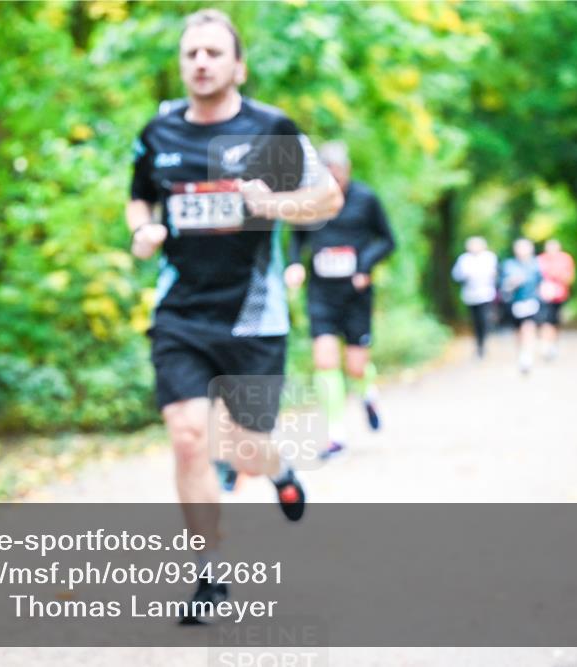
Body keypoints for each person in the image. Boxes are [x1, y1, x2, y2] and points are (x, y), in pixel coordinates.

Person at [127, 9, 343, 623]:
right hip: (180, 313)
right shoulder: (159, 132)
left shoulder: (270, 129)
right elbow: (139, 195)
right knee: (191, 439)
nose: (200, 62)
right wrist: (143, 228)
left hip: (254, 318)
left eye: (213, 53)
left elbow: (328, 198)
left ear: (237, 65)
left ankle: (278, 469)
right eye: (191, 53)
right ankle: (208, 575)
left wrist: (272, 201)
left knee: (241, 446)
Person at [285, 141, 395, 459]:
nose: (332, 177)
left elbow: (388, 241)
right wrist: (294, 264)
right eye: (325, 170)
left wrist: (364, 266)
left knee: (356, 367)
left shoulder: (366, 199)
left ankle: (368, 394)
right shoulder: (309, 199)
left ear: (347, 170)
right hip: (321, 293)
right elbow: (297, 236)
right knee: (325, 361)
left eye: (337, 170)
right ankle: (335, 434)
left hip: (356, 293)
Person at [500, 239, 543, 374]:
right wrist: (512, 283)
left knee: (529, 327)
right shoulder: (509, 265)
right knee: (518, 330)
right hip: (515, 303)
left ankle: (527, 355)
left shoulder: (537, 264)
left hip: (532, 301)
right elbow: (502, 285)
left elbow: (541, 282)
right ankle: (521, 353)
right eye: (519, 248)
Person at [451, 236, 498, 359]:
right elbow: (456, 275)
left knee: (484, 319)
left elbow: (494, 274)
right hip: (470, 296)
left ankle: (483, 344)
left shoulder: (489, 257)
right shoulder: (464, 259)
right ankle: (478, 344)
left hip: (486, 295)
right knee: (475, 321)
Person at [537, 238, 575, 361]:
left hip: (559, 296)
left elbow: (570, 278)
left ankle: (553, 344)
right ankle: (545, 345)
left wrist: (557, 276)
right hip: (543, 296)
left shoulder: (565, 259)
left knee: (555, 321)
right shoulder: (540, 259)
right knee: (544, 320)